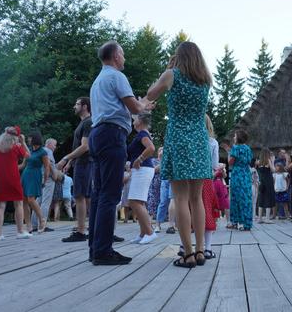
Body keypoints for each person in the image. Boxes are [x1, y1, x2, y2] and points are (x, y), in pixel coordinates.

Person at [146, 41, 212, 268]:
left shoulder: (171, 75)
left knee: (180, 198)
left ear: (179, 57)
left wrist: (168, 68)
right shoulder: (205, 81)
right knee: (197, 198)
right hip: (199, 140)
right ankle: (201, 250)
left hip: (178, 138)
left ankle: (188, 254)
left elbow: (150, 94)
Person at [87, 41, 153, 266]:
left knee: (99, 193)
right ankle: (104, 251)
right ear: (115, 56)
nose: (124, 59)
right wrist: (144, 104)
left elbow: (127, 106)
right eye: (123, 55)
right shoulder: (117, 77)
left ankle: (95, 248)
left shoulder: (98, 81)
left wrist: (141, 104)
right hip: (112, 135)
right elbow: (135, 108)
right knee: (110, 194)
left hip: (98, 134)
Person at [59, 97, 94, 243]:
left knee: (80, 196)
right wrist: (71, 161)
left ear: (85, 106)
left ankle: (81, 231)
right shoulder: (83, 123)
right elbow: (79, 146)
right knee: (85, 197)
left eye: (77, 104)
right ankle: (90, 228)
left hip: (85, 162)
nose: (74, 106)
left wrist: (66, 158)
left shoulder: (88, 122)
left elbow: (85, 146)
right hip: (81, 162)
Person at [0, 127, 31, 240]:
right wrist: (23, 143)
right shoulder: (16, 147)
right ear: (16, 137)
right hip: (13, 179)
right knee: (18, 204)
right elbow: (29, 156)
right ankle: (20, 231)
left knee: (1, 206)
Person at [126, 113, 158, 245]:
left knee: (135, 202)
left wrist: (139, 159)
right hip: (142, 170)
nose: (133, 122)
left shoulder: (142, 134)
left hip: (143, 169)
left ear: (140, 121)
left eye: (134, 120)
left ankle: (150, 233)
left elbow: (151, 148)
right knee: (139, 202)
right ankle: (143, 233)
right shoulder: (142, 134)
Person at [225, 130, 253, 232]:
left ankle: (237, 222)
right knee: (246, 197)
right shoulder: (248, 148)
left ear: (238, 138)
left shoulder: (235, 148)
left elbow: (230, 162)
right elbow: (250, 161)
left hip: (237, 174)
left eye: (235, 136)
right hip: (246, 173)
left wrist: (229, 153)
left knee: (236, 197)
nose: (234, 138)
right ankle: (247, 222)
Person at [21, 132, 49, 233]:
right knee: (24, 200)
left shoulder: (43, 152)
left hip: (35, 175)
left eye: (30, 138)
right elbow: (23, 165)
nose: (28, 140)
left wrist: (44, 179)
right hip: (25, 175)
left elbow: (46, 167)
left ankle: (42, 219)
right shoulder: (29, 151)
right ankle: (29, 225)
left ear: (35, 139)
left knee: (31, 199)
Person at [201, 115, 220, 260]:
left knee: (189, 209)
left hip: (189, 179)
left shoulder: (191, 140)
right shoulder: (212, 142)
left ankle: (185, 246)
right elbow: (214, 166)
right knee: (207, 210)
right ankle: (207, 248)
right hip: (206, 179)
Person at [31, 138, 59, 232]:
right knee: (46, 202)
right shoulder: (48, 151)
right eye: (54, 145)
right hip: (48, 179)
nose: (55, 147)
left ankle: (34, 224)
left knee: (38, 201)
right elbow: (50, 164)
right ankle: (42, 225)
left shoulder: (39, 151)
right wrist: (55, 174)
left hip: (40, 177)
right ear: (49, 144)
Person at [256, 148, 276, 224]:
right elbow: (273, 170)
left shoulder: (259, 162)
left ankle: (260, 218)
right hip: (268, 182)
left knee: (261, 199)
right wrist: (273, 161)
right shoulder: (268, 161)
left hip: (262, 182)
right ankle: (267, 218)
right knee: (268, 198)